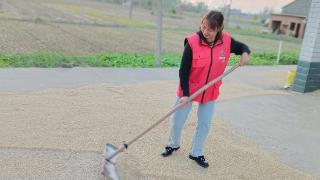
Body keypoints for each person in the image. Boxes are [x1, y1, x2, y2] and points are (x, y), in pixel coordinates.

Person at [161, 10, 250, 168]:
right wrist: (185, 95)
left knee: (204, 124)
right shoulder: (192, 42)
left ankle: (196, 152)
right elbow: (183, 71)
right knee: (176, 121)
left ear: (219, 28)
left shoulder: (227, 41)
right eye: (203, 27)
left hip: (210, 90)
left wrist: (245, 53)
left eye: (210, 29)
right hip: (189, 89)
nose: (205, 32)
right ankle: (173, 144)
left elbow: (242, 46)